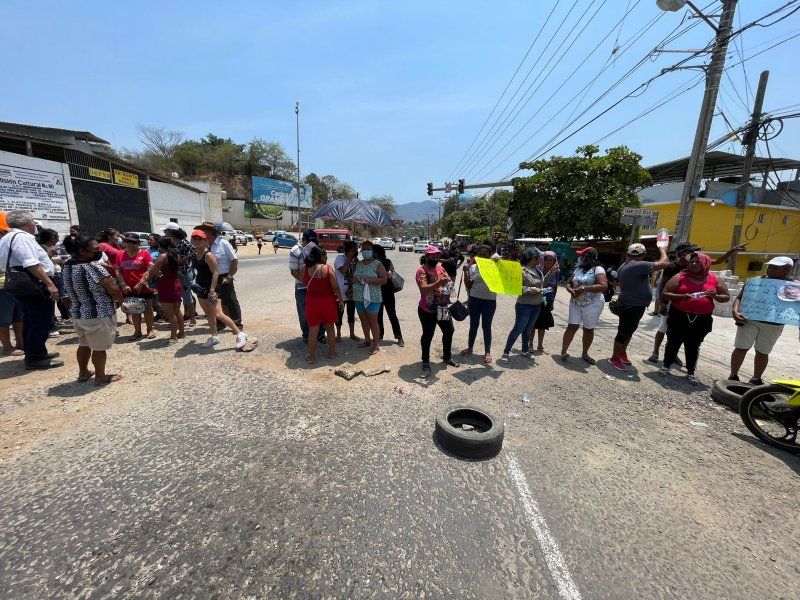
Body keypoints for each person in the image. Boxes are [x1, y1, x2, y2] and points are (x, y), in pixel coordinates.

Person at [648, 241, 747, 363]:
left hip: (688, 305)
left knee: (680, 333)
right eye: (691, 251)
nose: (694, 254)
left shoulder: (694, 264)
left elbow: (718, 261)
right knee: (664, 327)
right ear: (682, 253)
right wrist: (662, 304)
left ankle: (673, 355)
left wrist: (732, 251)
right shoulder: (671, 267)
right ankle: (655, 351)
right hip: (672, 301)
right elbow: (663, 287)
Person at [0, 210, 62, 369]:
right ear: (27, 223)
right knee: (41, 320)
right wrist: (50, 284)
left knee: (30, 319)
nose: (34, 224)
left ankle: (36, 352)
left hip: (21, 283)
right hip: (33, 283)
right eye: (33, 221)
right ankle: (35, 358)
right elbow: (31, 264)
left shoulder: (7, 238)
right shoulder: (22, 237)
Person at [61, 233, 124, 385]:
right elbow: (113, 289)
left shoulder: (66, 266)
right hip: (98, 314)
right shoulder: (92, 267)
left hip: (78, 314)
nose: (99, 252)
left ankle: (83, 372)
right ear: (83, 251)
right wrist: (119, 301)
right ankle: (101, 376)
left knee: (83, 343)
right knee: (99, 348)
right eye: (96, 249)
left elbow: (66, 294)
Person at [660, 252, 730, 385]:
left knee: (693, 346)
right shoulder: (680, 276)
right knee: (673, 342)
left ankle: (690, 372)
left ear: (705, 263)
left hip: (701, 319)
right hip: (679, 316)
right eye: (691, 261)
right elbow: (665, 293)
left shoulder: (714, 279)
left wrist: (715, 295)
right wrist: (681, 297)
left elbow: (725, 297)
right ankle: (665, 366)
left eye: (697, 262)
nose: (693, 264)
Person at [729, 256, 795, 385]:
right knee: (741, 347)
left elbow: (794, 308)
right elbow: (739, 298)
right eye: (769, 266)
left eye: (774, 268)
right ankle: (733, 375)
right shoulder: (755, 281)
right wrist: (735, 311)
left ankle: (756, 378)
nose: (769, 270)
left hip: (773, 325)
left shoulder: (792, 286)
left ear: (787, 270)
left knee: (763, 351)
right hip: (749, 320)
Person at [608, 243, 669, 371]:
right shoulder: (639, 265)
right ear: (644, 255)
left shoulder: (624, 265)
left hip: (633, 304)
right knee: (624, 332)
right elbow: (664, 263)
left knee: (629, 330)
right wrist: (663, 250)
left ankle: (621, 353)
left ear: (628, 254)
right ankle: (614, 357)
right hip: (632, 305)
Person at [190, 229, 251, 350]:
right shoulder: (195, 254)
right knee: (209, 314)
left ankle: (240, 334)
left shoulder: (208, 255)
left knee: (218, 313)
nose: (197, 242)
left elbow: (215, 273)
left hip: (211, 288)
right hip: (200, 288)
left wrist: (212, 290)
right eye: (194, 239)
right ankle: (214, 337)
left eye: (200, 239)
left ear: (205, 241)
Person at [500, 247, 551, 362]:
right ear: (534, 258)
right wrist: (533, 290)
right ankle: (506, 352)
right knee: (518, 329)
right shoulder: (521, 270)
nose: (541, 259)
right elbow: (516, 287)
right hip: (524, 305)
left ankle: (524, 351)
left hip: (536, 305)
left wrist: (550, 274)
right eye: (539, 257)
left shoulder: (537, 270)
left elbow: (542, 284)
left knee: (528, 330)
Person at [560, 247, 607, 365]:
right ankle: (563, 352)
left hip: (592, 305)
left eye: (582, 256)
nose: (580, 258)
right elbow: (568, 284)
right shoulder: (578, 269)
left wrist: (584, 288)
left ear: (588, 258)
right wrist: (571, 290)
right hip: (576, 304)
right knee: (572, 326)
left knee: (588, 329)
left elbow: (603, 286)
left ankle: (584, 354)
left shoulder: (598, 269)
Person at [416, 246, 459, 375]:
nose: (435, 258)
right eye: (433, 256)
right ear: (427, 256)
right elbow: (423, 289)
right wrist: (439, 283)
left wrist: (448, 285)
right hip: (427, 310)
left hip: (442, 307)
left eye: (437, 256)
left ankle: (446, 357)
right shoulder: (421, 270)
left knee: (449, 330)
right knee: (428, 335)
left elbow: (449, 282)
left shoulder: (440, 268)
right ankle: (425, 361)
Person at [302, 245, 345, 363]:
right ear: (320, 256)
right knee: (330, 329)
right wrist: (341, 300)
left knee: (313, 331)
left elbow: (304, 281)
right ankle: (332, 353)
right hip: (327, 302)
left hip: (312, 302)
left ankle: (311, 357)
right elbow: (335, 287)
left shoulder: (305, 268)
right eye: (325, 255)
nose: (326, 257)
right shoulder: (327, 269)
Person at [138, 237, 184, 342]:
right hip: (175, 283)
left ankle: (173, 337)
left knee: (170, 312)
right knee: (177, 311)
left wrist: (145, 279)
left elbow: (154, 271)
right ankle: (181, 332)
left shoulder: (163, 255)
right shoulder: (174, 254)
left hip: (165, 285)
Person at [198, 222, 242, 329]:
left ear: (209, 232)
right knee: (215, 301)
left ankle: (237, 324)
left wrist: (229, 277)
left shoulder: (223, 243)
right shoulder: (206, 244)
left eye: (203, 231)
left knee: (230, 300)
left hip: (224, 276)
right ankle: (221, 323)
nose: (202, 233)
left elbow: (234, 261)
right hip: (212, 277)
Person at [461, 244, 498, 363]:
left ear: (490, 255)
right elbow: (468, 285)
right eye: (480, 255)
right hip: (475, 300)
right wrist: (466, 272)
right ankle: (470, 348)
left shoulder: (496, 266)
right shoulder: (473, 268)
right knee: (473, 325)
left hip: (490, 301)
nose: (483, 257)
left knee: (486, 327)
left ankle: (487, 351)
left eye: (485, 255)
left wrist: (498, 260)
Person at [117, 233, 156, 340]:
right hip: (129, 288)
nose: (129, 244)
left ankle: (150, 329)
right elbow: (118, 271)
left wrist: (140, 283)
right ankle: (137, 331)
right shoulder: (120, 255)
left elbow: (149, 269)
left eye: (133, 242)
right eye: (127, 241)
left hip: (144, 287)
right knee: (134, 309)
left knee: (148, 309)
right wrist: (123, 284)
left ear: (138, 243)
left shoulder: (145, 254)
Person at [289, 230, 326, 344]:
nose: (312, 244)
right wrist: (306, 282)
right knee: (304, 313)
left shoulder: (318, 248)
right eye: (309, 242)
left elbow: (323, 265)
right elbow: (293, 271)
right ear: (303, 240)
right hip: (302, 288)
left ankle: (320, 335)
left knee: (320, 312)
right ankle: (306, 335)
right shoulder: (295, 251)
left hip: (317, 288)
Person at [352, 240, 388, 355]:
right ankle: (367, 340)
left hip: (373, 297)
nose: (366, 251)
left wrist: (370, 280)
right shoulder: (359, 264)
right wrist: (354, 279)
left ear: (372, 251)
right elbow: (355, 277)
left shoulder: (378, 264)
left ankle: (376, 344)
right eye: (364, 249)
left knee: (373, 321)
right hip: (358, 296)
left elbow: (384, 279)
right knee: (363, 320)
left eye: (368, 249)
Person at [162, 223, 197, 327]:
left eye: (166, 230)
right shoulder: (169, 242)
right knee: (176, 297)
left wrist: (185, 258)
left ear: (171, 231)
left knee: (187, 296)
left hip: (184, 272)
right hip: (173, 273)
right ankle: (177, 319)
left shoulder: (183, 242)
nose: (164, 232)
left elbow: (195, 252)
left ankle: (192, 318)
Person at [0, 212, 24, 357]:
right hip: (2, 286)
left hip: (15, 284)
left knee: (18, 316)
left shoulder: (6, 243)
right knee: (4, 318)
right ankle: (7, 346)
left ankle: (20, 342)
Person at [38, 228, 71, 324]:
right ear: (52, 237)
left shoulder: (55, 247)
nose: (58, 239)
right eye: (57, 236)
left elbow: (60, 261)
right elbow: (40, 263)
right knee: (51, 299)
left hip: (57, 275)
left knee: (62, 297)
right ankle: (51, 323)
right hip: (47, 277)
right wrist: (49, 254)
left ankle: (65, 317)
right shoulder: (41, 248)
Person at [374, 244, 404, 346]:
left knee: (392, 315)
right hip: (377, 292)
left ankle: (399, 337)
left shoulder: (387, 262)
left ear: (376, 253)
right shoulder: (371, 263)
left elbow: (389, 275)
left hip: (388, 292)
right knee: (378, 316)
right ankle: (379, 335)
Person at [534, 250, 560, 353]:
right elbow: (540, 285)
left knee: (543, 324)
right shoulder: (537, 270)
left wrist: (552, 301)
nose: (549, 262)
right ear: (542, 260)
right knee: (533, 323)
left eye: (551, 260)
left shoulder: (557, 272)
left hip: (548, 301)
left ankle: (540, 345)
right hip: (536, 299)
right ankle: (530, 343)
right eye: (547, 260)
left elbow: (555, 287)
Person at [333, 241, 360, 341]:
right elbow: (343, 271)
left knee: (351, 313)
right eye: (354, 250)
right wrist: (348, 258)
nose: (356, 252)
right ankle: (338, 334)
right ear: (348, 251)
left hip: (351, 292)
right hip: (340, 291)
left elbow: (358, 274)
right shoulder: (339, 258)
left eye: (356, 250)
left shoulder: (355, 260)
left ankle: (352, 334)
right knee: (339, 313)